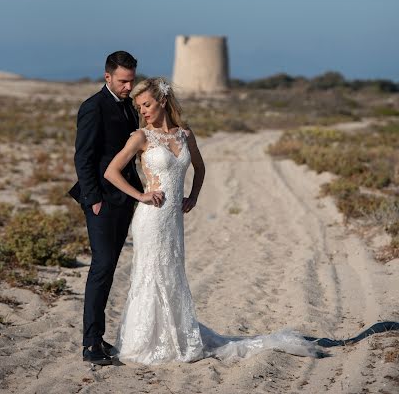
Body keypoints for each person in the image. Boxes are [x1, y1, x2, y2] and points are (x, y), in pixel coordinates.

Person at [104, 77, 321, 364]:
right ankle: (145, 341)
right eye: (138, 106)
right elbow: (111, 171)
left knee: (171, 273)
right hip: (151, 218)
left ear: (163, 101)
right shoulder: (141, 137)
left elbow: (200, 167)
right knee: (150, 273)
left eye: (146, 104)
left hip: (173, 220)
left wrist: (193, 196)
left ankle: (174, 334)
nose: (142, 110)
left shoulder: (185, 135)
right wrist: (140, 196)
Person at [69, 52, 163, 366]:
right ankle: (90, 345)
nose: (128, 86)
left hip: (124, 200)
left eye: (131, 80)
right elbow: (83, 158)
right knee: (101, 267)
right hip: (101, 202)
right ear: (107, 76)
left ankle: (97, 337)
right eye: (123, 80)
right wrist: (93, 199)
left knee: (109, 270)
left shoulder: (127, 106)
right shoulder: (93, 107)